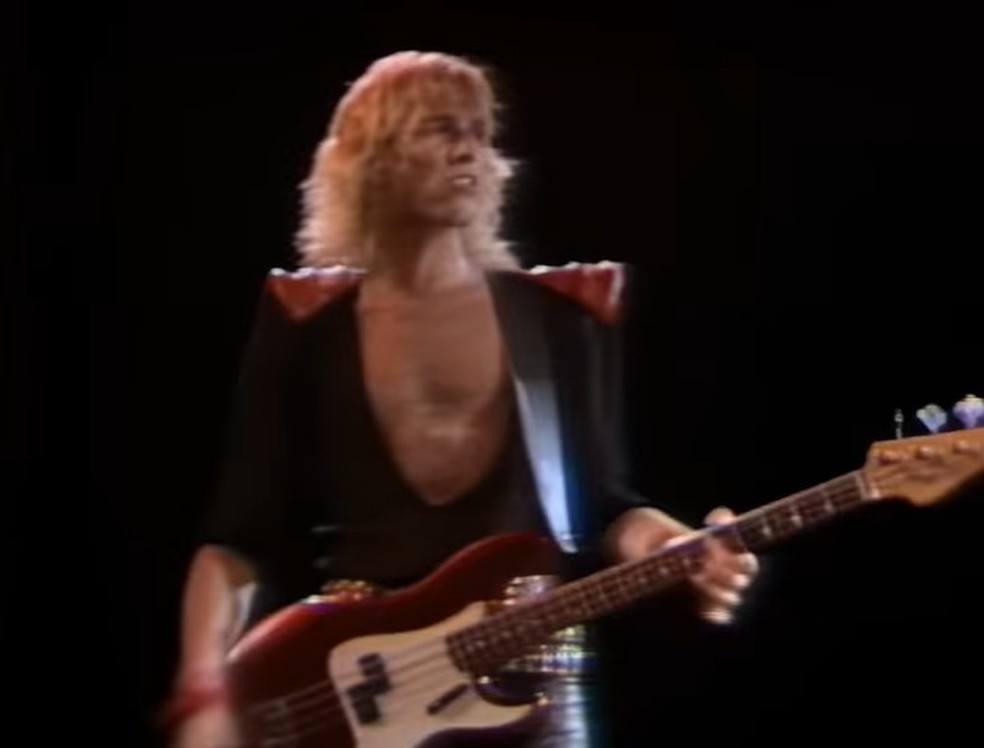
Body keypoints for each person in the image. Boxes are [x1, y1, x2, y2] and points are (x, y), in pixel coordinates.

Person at [161, 50, 761, 748]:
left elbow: (607, 506)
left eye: (478, 132)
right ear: (371, 159)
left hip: (530, 698)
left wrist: (678, 546)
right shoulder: (307, 324)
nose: (468, 150)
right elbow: (238, 539)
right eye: (440, 129)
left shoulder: (560, 316)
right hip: (365, 696)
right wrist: (202, 691)